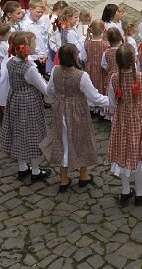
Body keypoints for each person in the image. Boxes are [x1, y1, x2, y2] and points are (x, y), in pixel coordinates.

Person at [40, 43, 109, 192]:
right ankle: (83, 176)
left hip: (60, 110)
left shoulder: (55, 70)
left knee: (62, 141)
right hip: (78, 111)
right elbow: (95, 97)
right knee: (81, 140)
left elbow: (50, 91)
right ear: (74, 58)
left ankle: (63, 179)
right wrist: (112, 101)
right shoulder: (81, 76)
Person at [107, 44, 142, 205]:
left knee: (123, 154)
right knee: (139, 156)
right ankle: (139, 192)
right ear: (134, 59)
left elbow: (111, 104)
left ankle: (125, 191)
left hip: (121, 122)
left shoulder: (114, 78)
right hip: (139, 122)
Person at [0, 32, 52, 183]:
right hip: (29, 103)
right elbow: (45, 89)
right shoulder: (29, 68)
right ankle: (35, 170)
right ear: (26, 46)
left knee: (18, 132)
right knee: (33, 133)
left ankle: (22, 166)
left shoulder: (10, 62)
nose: (36, 46)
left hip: (14, 99)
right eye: (34, 44)